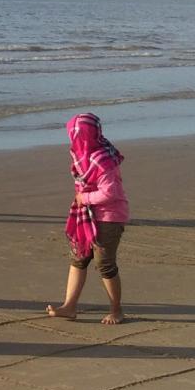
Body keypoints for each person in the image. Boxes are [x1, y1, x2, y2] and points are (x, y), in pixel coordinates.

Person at [47, 113, 129, 325]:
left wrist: (85, 198)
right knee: (79, 257)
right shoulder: (79, 156)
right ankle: (69, 306)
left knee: (104, 263)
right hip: (87, 214)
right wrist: (82, 202)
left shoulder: (103, 160)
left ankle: (116, 309)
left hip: (109, 217)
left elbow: (110, 193)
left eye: (77, 136)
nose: (74, 140)